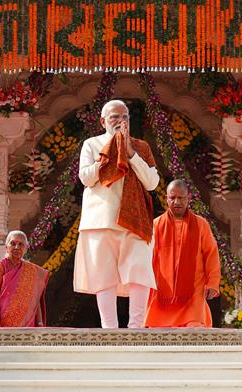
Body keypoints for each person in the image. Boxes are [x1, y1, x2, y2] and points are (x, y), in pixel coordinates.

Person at [74, 99, 160, 329]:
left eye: (124, 117)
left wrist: (130, 154)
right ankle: (109, 329)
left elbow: (152, 183)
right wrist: (110, 153)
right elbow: (86, 178)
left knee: (140, 270)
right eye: (114, 117)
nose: (120, 121)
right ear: (103, 121)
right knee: (104, 275)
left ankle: (136, 327)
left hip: (135, 220)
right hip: (100, 220)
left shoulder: (140, 147)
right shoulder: (92, 145)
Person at [145, 179, 221, 329]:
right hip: (163, 293)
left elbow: (211, 254)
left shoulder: (200, 224)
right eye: (172, 197)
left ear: (188, 198)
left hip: (193, 292)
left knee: (194, 331)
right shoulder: (156, 225)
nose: (176, 201)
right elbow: (147, 257)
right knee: (159, 331)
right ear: (166, 198)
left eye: (181, 197)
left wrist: (212, 283)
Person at [0, 230, 49, 327]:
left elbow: (35, 300)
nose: (17, 247)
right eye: (13, 243)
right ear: (6, 247)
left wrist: (39, 323)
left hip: (27, 326)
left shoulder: (31, 270)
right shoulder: (0, 266)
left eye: (21, 244)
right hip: (3, 325)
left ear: (26, 248)